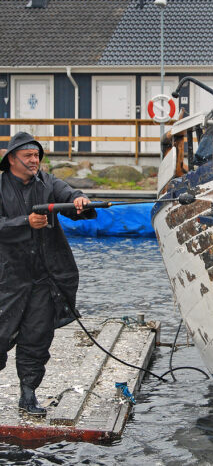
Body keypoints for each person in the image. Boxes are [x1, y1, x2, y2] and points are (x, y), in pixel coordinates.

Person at [0, 132, 97, 416]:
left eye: (37, 156)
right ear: (12, 159)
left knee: (37, 337)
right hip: (7, 278)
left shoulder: (48, 182)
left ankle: (28, 394)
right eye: (29, 156)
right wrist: (25, 223)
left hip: (45, 278)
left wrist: (80, 200)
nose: (35, 161)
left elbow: (70, 195)